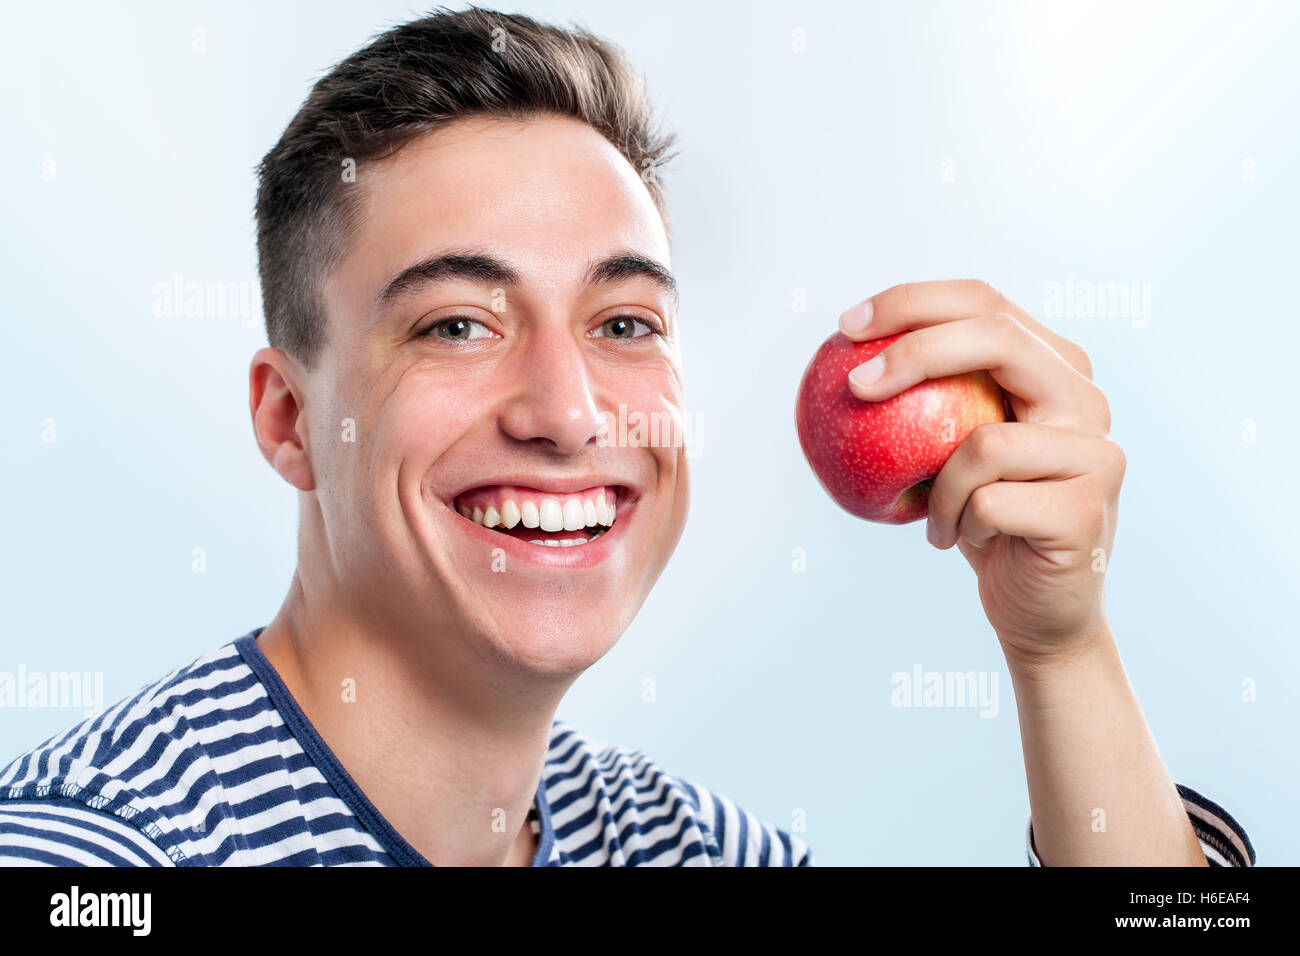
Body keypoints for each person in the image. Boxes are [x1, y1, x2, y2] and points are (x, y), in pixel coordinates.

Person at [0, 5, 1253, 867]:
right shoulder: (93, 851)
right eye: (454, 324)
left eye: (623, 318)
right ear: (287, 418)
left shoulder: (677, 844)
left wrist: (1063, 648)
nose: (569, 411)